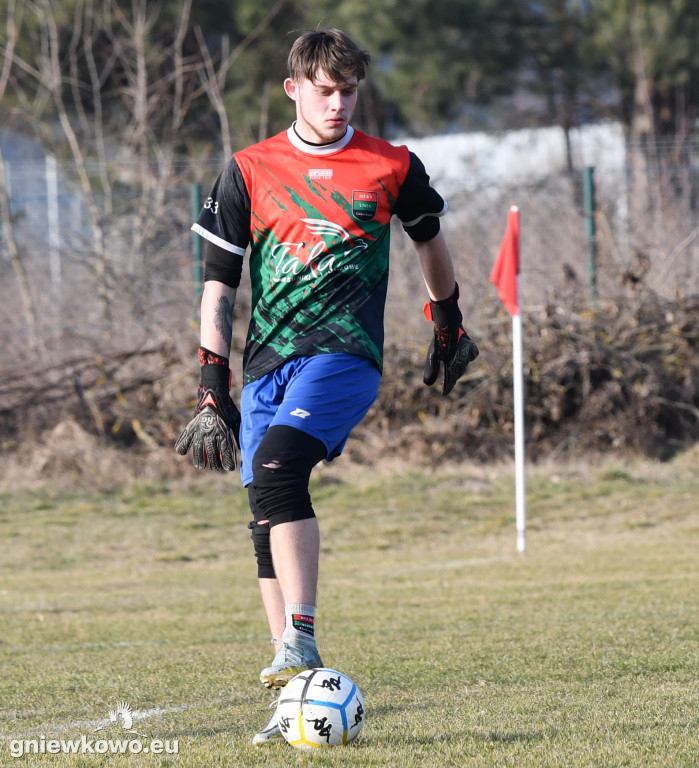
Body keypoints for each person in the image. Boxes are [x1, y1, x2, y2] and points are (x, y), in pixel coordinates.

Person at [175, 28, 479, 745]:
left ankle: (302, 637)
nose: (337, 103)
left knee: (279, 466)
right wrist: (210, 386)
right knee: (263, 511)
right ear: (293, 89)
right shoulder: (249, 170)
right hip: (264, 365)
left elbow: (428, 238)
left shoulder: (390, 165)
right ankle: (292, 688)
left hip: (344, 355)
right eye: (323, 90)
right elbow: (218, 287)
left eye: (348, 91)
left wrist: (447, 320)